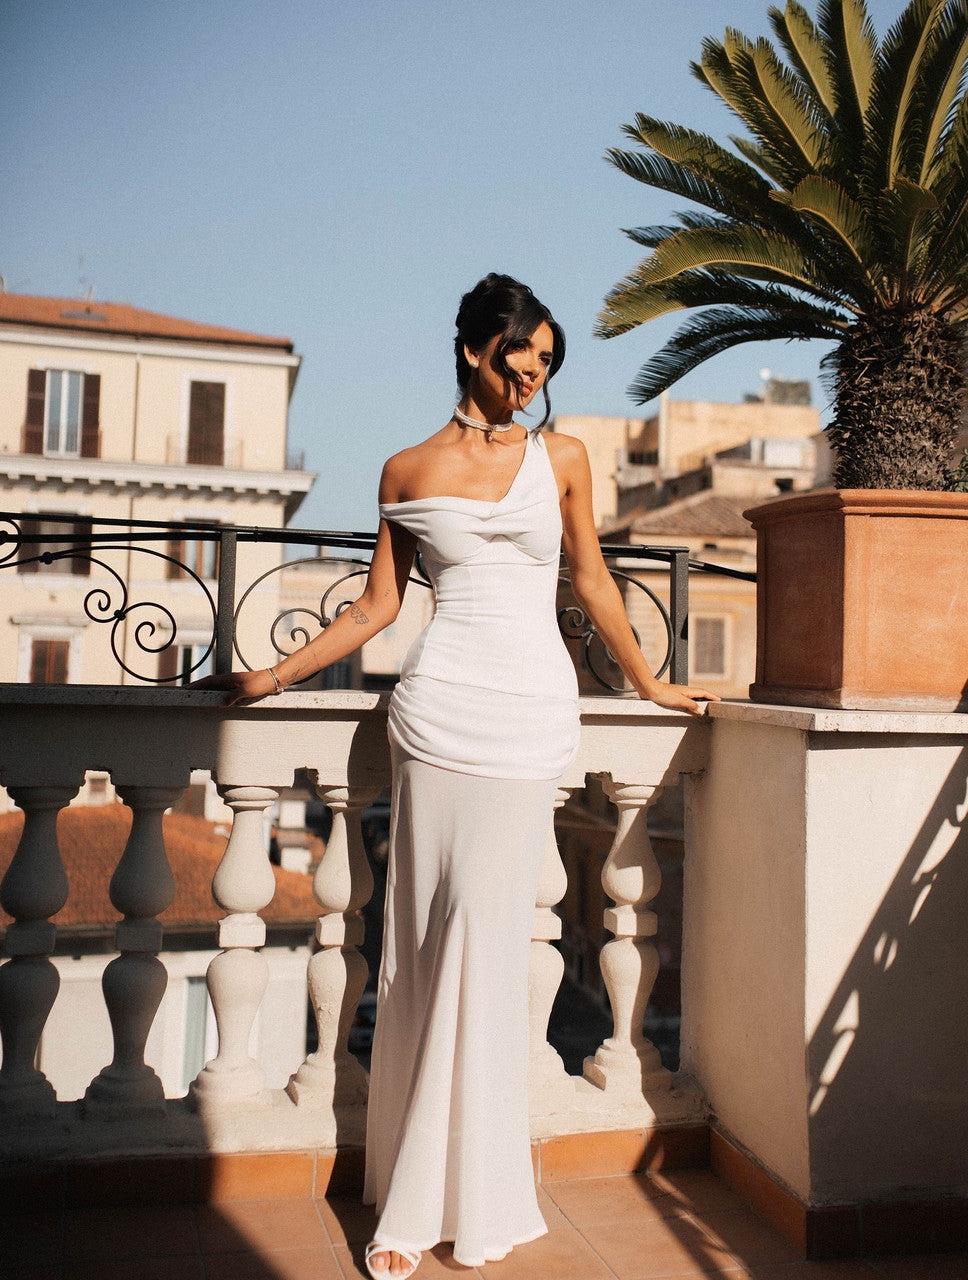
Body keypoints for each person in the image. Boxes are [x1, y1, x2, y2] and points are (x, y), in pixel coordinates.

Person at [194, 274, 719, 1278]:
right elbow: (375, 608)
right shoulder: (404, 469)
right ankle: (411, 1193)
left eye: (547, 364)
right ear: (475, 348)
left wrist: (649, 680)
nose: (534, 378)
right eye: (521, 357)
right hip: (435, 719)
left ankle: (466, 1193)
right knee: (425, 948)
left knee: (485, 943)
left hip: (526, 720)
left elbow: (591, 578)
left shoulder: (562, 458)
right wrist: (268, 675)